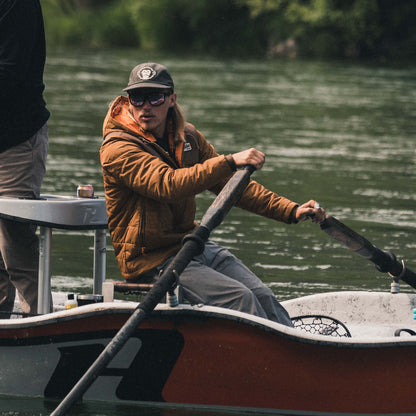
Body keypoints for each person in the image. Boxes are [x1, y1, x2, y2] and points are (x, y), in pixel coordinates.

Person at [100, 62, 325, 326]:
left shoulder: (189, 138)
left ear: (171, 99)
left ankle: (300, 356)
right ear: (129, 101)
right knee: (241, 299)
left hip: (190, 244)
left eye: (155, 97)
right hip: (150, 260)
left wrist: (290, 210)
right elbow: (167, 185)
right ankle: (267, 363)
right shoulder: (117, 147)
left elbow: (233, 186)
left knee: (262, 295)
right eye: (137, 98)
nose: (145, 106)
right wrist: (229, 161)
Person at [0, 0, 50, 315]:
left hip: (16, 140)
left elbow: (9, 71)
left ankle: (41, 322)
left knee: (13, 242)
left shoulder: (17, 3)